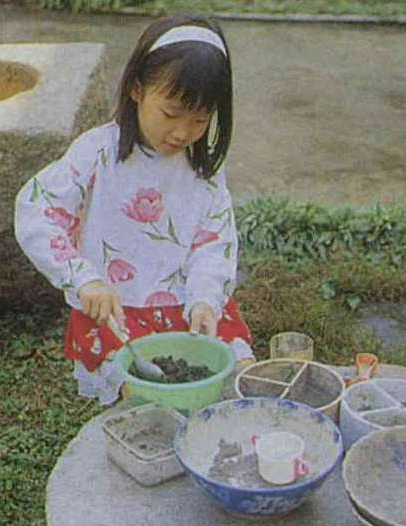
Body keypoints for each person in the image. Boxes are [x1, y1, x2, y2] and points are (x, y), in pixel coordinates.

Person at [15, 13, 253, 405]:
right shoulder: (97, 153)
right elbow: (37, 210)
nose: (182, 132)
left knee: (238, 375)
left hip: (188, 308)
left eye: (200, 120)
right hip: (116, 314)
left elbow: (214, 243)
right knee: (146, 397)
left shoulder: (204, 171)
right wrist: (84, 279)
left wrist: (205, 299)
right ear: (137, 89)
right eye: (171, 114)